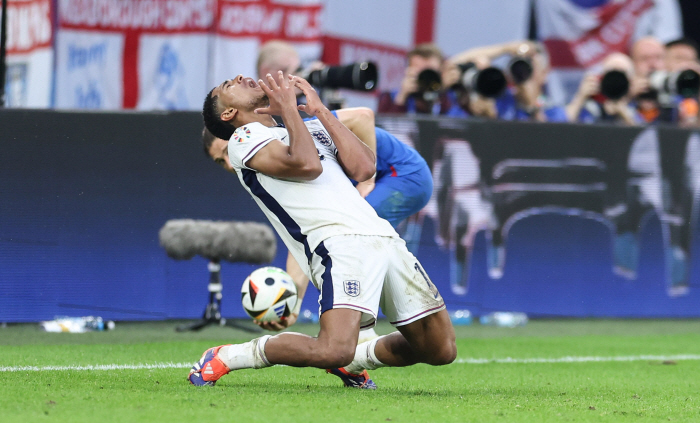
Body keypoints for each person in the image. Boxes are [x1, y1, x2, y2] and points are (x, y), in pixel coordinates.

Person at [191, 71, 456, 389]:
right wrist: (290, 107)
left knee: (440, 349)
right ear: (229, 113)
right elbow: (307, 165)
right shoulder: (242, 140)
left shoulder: (309, 128)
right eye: (226, 86)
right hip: (337, 243)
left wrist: (320, 111)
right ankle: (227, 356)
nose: (237, 76)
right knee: (333, 348)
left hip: (383, 237)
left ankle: (353, 363)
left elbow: (364, 168)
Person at [565, 52, 641, 125]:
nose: (615, 81)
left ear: (631, 82)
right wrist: (581, 97)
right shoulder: (591, 108)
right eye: (611, 75)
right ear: (602, 78)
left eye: (621, 76)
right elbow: (562, 126)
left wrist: (624, 113)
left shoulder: (636, 108)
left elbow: (644, 132)